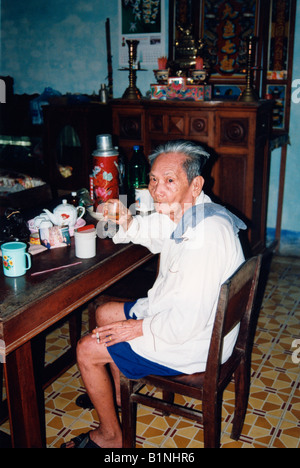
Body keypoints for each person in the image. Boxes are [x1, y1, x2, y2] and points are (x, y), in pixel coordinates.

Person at [61, 139, 246, 448]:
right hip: (185, 315)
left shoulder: (205, 237)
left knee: (86, 349)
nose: (157, 189)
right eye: (154, 179)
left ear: (196, 184)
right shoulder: (193, 212)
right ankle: (118, 395)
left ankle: (111, 436)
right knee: (104, 313)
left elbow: (185, 322)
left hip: (197, 340)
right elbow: (155, 232)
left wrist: (139, 327)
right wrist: (127, 220)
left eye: (170, 181)